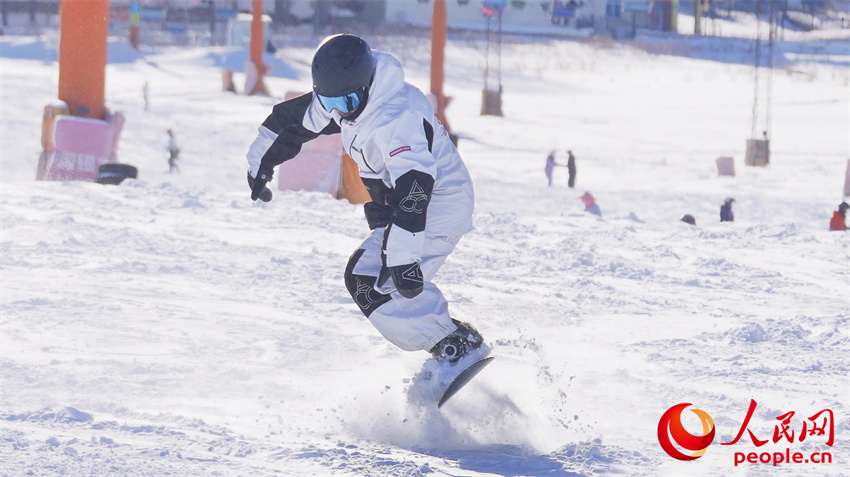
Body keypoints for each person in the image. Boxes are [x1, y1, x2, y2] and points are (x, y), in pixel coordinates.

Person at [245, 34, 485, 366]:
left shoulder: (397, 116)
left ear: (368, 85)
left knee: (373, 280)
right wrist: (261, 161)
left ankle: (453, 344)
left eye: (346, 103)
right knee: (376, 284)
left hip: (436, 205)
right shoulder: (346, 98)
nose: (340, 113)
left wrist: (403, 257)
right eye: (330, 104)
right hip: (406, 208)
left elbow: (415, 187)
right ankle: (451, 342)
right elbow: (294, 121)